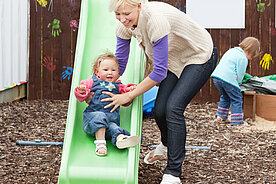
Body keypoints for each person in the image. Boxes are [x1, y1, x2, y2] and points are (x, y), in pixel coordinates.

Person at [102, 0, 218, 183]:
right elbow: (120, 64)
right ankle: (166, 144)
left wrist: (130, 94)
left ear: (139, 6)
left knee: (173, 108)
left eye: (127, 14)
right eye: (118, 14)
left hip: (199, 54)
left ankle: (173, 173)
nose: (122, 19)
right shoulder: (123, 26)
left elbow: (158, 73)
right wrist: (98, 83)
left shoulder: (156, 20)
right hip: (174, 59)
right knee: (160, 110)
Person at [74, 51, 140, 156]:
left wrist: (130, 90)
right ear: (97, 72)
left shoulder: (119, 86)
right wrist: (81, 91)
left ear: (118, 72)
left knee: (114, 127)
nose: (110, 73)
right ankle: (100, 144)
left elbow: (126, 101)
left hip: (109, 122)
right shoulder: (92, 82)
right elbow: (81, 96)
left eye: (113, 70)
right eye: (105, 70)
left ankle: (121, 139)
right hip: (92, 120)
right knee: (100, 116)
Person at [211, 37, 260, 126]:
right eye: (252, 56)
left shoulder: (232, 51)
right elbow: (240, 72)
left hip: (217, 77)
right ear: (249, 50)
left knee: (225, 97)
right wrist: (239, 83)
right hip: (228, 79)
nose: (250, 59)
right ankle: (237, 122)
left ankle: (220, 117)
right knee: (237, 99)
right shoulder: (243, 58)